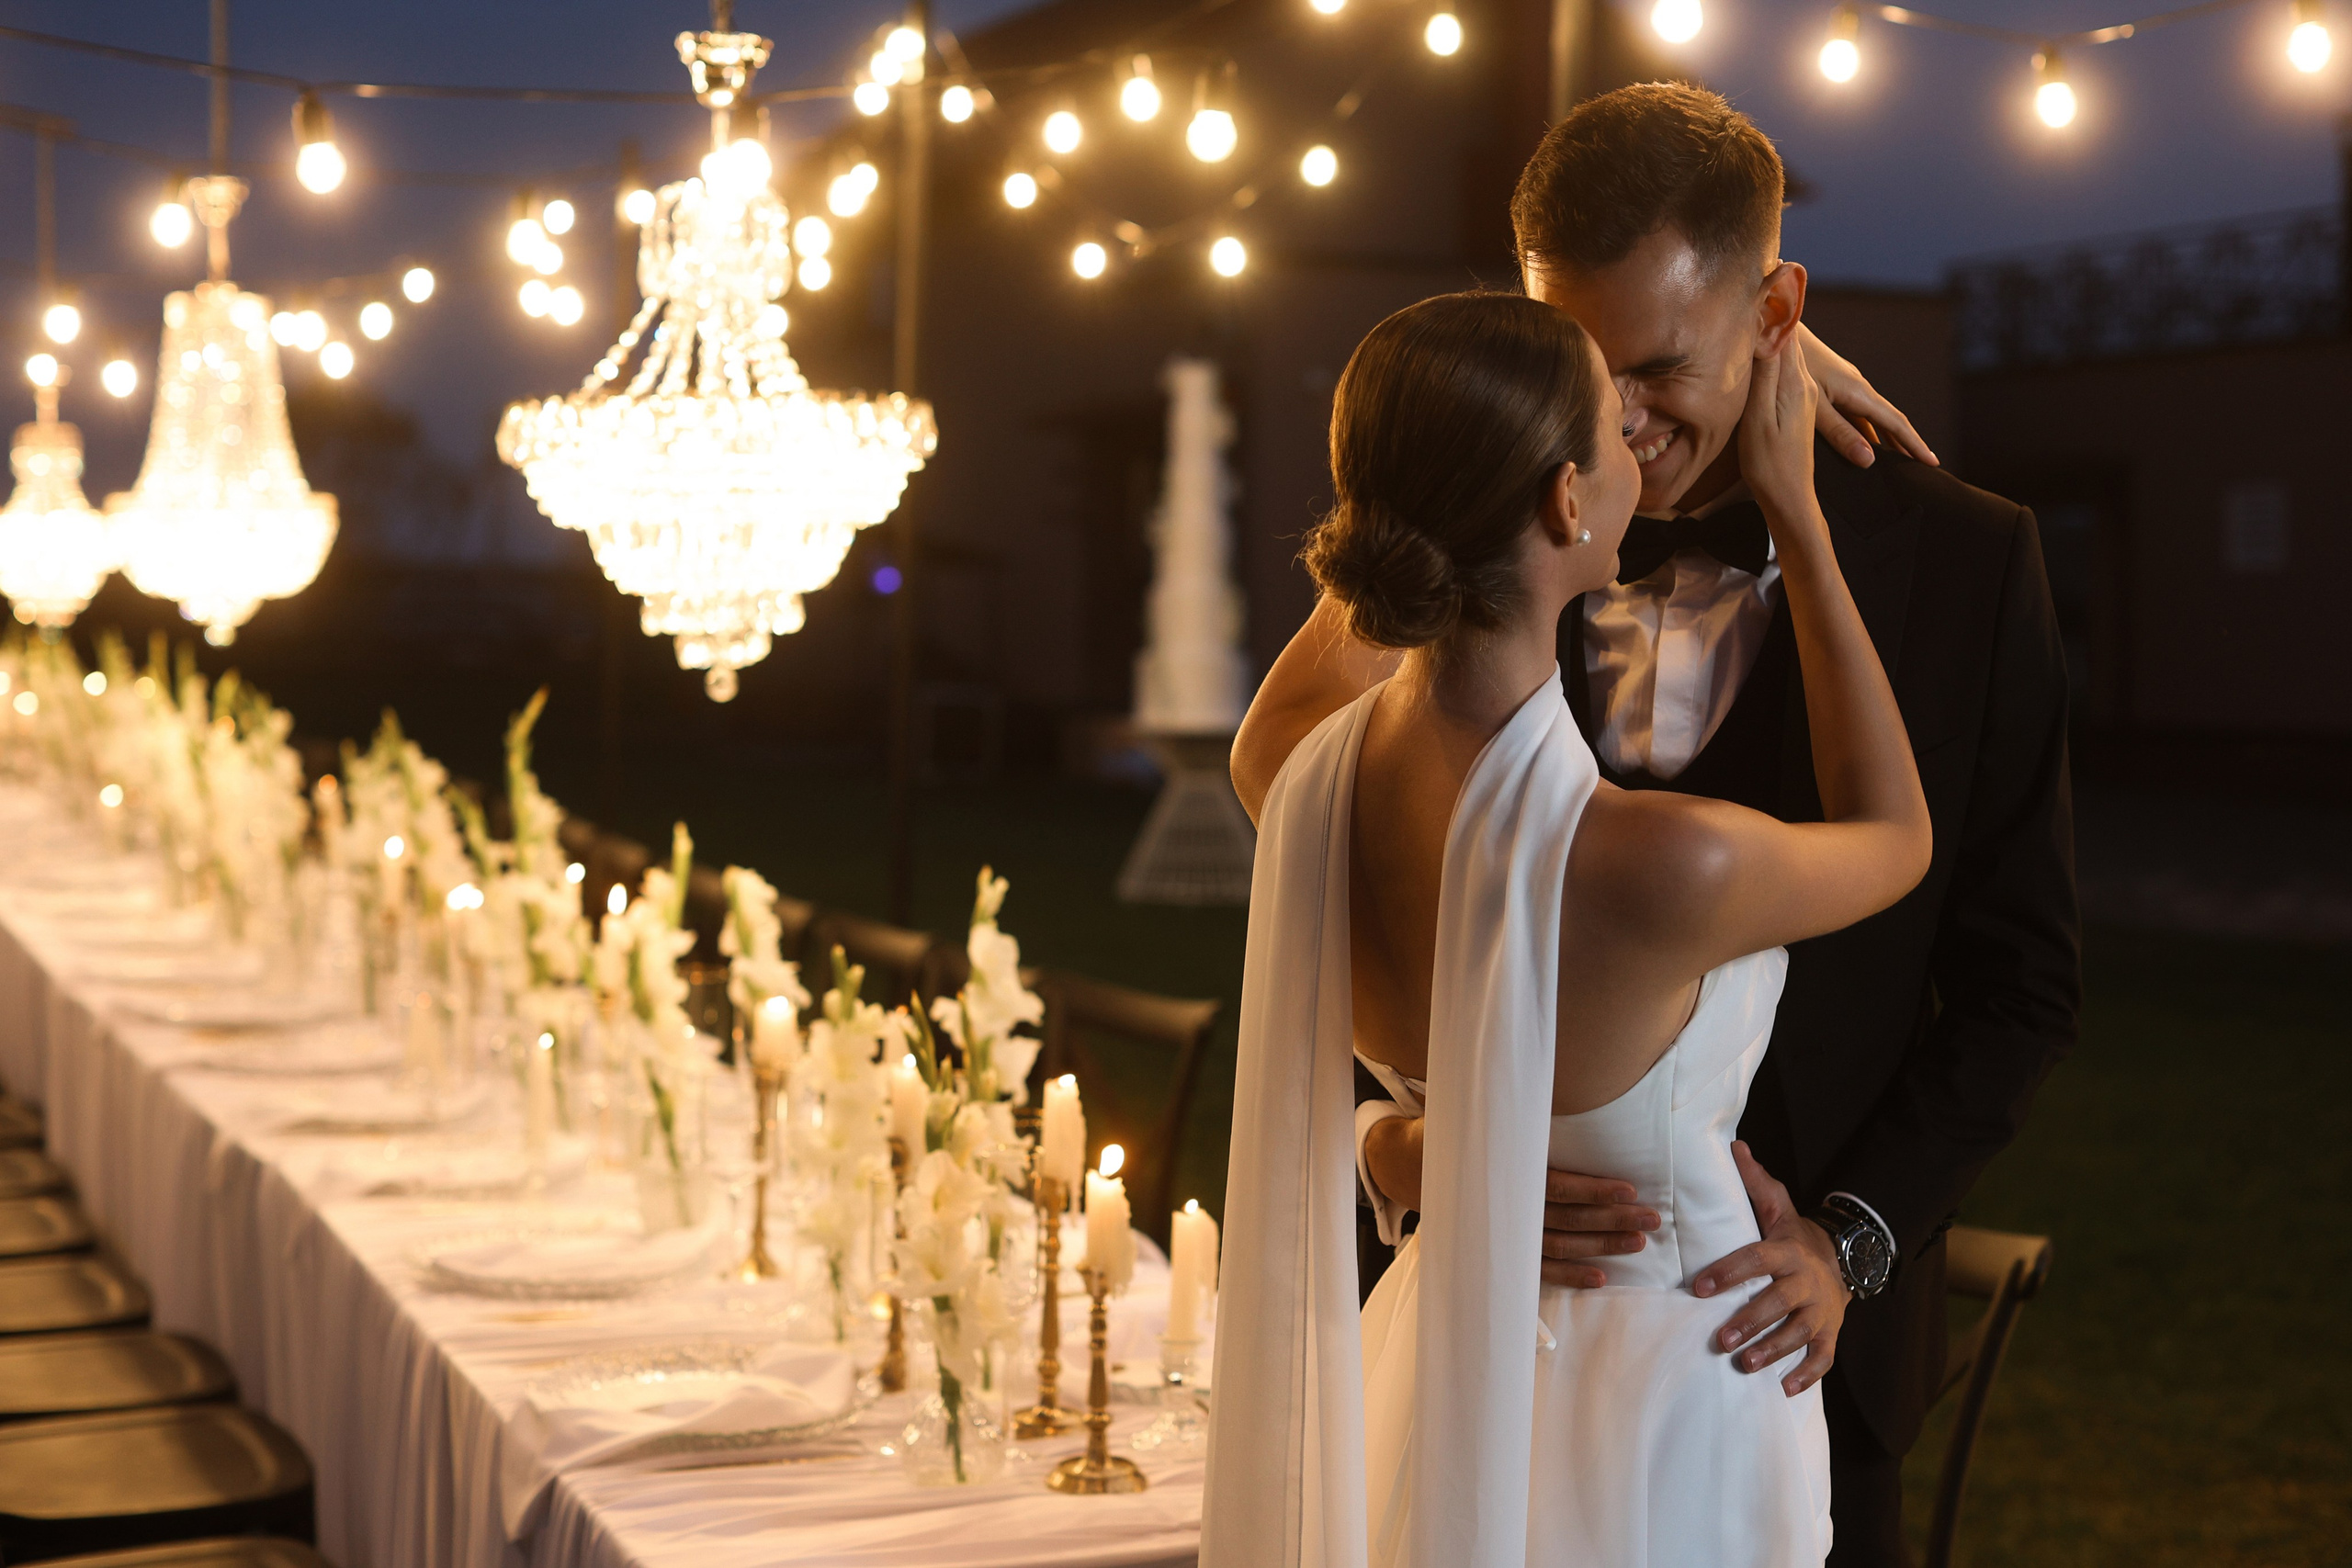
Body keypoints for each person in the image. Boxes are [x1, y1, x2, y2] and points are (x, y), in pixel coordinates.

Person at [1230, 85, 2080, 1565]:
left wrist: (1848, 1244)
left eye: (1661, 366)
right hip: (1481, 1344)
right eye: (1581, 365)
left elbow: (2021, 985)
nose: (1617, 418)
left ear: (1779, 314)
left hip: (1782, 1361)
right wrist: (1405, 1145)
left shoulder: (1966, 562)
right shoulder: (1511, 538)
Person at [1203, 288, 1928, 1566]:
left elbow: (1408, 518)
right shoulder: (1660, 863)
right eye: (1611, 424)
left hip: (1431, 1362)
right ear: (1563, 502)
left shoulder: (1290, 772)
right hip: (1669, 1398)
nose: (1641, 434)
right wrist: (1800, 523)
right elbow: (1895, 837)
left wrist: (1462, 413)